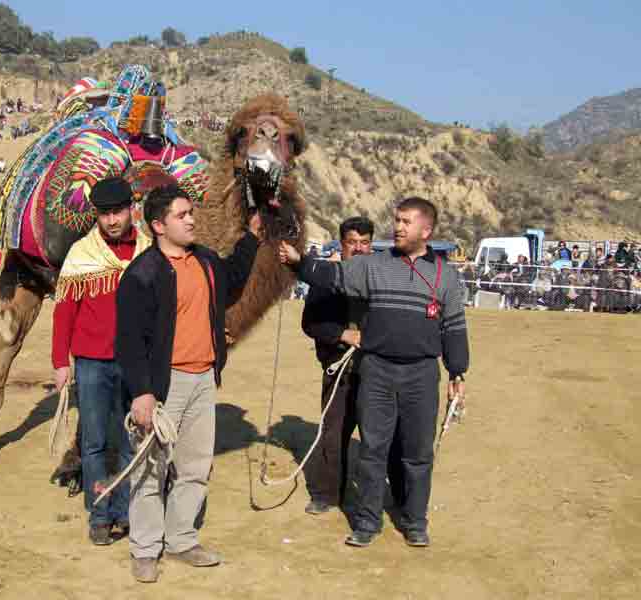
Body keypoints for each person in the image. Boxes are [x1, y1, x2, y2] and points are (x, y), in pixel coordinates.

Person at [279, 196, 469, 549]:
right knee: (372, 450)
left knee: (417, 453)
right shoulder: (373, 266)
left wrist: (457, 373)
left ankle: (415, 521)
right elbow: (331, 276)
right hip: (377, 371)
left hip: (422, 375)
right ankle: (367, 523)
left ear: (426, 230)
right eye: (396, 220)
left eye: (406, 222)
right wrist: (298, 261)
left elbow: (454, 327)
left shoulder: (446, 275)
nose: (398, 227)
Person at [116, 184, 261, 583]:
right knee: (150, 470)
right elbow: (129, 341)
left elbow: (233, 280)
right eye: (181, 215)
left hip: (204, 379)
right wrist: (142, 393)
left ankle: (181, 539)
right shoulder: (142, 274)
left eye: (190, 212)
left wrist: (251, 236)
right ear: (158, 225)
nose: (191, 220)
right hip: (164, 385)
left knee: (195, 467)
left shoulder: (206, 261)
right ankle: (146, 549)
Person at [51, 177, 151, 546]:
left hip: (134, 362)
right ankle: (99, 515)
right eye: (104, 214)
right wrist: (61, 361)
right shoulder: (82, 253)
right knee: (93, 443)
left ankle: (124, 511)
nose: (111, 221)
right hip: (91, 362)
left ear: (131, 210)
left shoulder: (148, 252)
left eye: (117, 212)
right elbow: (64, 311)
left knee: (129, 440)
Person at [301, 216, 373, 515]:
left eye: (364, 243)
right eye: (352, 242)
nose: (358, 248)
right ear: (342, 244)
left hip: (376, 371)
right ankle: (327, 495)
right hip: (339, 370)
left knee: (381, 437)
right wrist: (343, 334)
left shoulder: (380, 275)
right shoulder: (326, 279)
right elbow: (310, 323)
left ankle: (389, 497)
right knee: (333, 434)